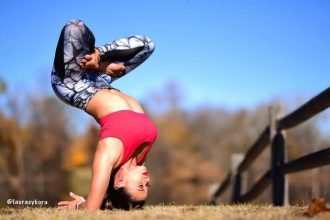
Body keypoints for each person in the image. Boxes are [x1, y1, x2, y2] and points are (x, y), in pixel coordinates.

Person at [52, 19, 157, 211]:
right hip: (100, 80)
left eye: (140, 186)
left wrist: (80, 206)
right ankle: (96, 59)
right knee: (147, 45)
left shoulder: (110, 154)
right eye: (148, 186)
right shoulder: (140, 157)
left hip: (72, 84)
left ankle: (90, 60)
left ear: (119, 181)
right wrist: (100, 59)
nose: (147, 180)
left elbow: (91, 209)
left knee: (75, 28)